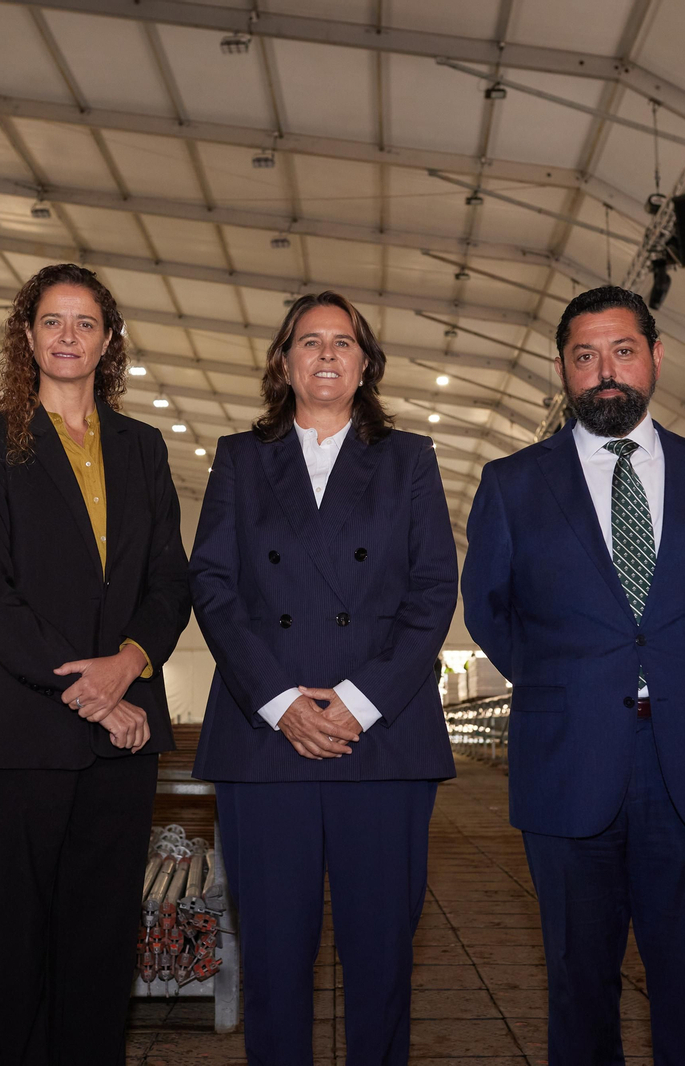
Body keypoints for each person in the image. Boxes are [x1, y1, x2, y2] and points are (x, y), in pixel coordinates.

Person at [462, 285, 685, 1065]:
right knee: (578, 982)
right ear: (563, 368)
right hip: (567, 761)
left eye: (622, 352)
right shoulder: (513, 484)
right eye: (585, 356)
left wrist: (665, 672)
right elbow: (490, 609)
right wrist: (568, 685)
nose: (606, 372)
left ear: (656, 358)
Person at [190, 291, 457, 1065]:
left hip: (383, 741)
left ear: (366, 363)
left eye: (344, 342)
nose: (328, 354)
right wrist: (281, 703)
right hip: (265, 743)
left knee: (381, 962)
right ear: (284, 362)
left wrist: (360, 702)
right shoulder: (240, 458)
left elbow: (434, 590)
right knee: (273, 964)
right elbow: (213, 583)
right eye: (310, 341)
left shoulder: (409, 459)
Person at [0, 263, 191, 1064]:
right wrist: (91, 691)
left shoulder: (143, 447)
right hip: (27, 734)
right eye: (52, 321)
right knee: (13, 943)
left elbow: (169, 582)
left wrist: (128, 664)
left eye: (85, 323)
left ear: (109, 340)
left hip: (122, 739)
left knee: (99, 944)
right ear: (27, 337)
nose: (68, 336)